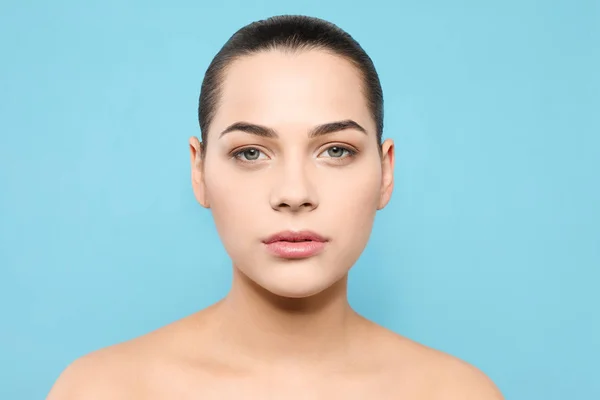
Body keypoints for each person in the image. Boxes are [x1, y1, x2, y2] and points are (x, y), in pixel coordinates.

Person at [47, 15, 503, 399]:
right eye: (250, 153)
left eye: (336, 150)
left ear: (385, 173)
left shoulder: (459, 392)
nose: (294, 193)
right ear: (200, 172)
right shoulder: (100, 389)